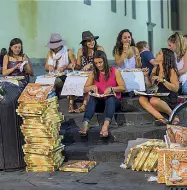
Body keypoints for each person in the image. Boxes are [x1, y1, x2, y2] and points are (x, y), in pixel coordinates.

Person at [79, 50, 126, 137]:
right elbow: (85, 89)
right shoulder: (94, 73)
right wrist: (92, 87)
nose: (98, 65)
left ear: (105, 60)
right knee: (92, 98)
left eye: (100, 62)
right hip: (100, 101)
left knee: (110, 98)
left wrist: (112, 89)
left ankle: (105, 126)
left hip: (113, 102)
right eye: (96, 63)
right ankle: (85, 124)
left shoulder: (114, 71)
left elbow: (123, 87)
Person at [139, 48, 179, 126]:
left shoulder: (171, 70)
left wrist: (163, 80)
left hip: (169, 95)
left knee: (153, 101)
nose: (157, 54)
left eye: (160, 53)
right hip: (158, 94)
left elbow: (176, 88)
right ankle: (162, 119)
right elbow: (150, 85)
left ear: (165, 57)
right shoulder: (156, 68)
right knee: (141, 99)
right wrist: (146, 76)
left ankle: (173, 114)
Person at [69, 31, 104, 113]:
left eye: (93, 40)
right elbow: (78, 66)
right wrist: (73, 65)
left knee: (88, 81)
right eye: (89, 41)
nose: (92, 42)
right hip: (84, 74)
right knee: (71, 79)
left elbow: (103, 62)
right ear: (85, 43)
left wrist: (91, 64)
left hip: (96, 73)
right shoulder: (81, 51)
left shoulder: (99, 49)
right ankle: (71, 104)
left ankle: (84, 105)